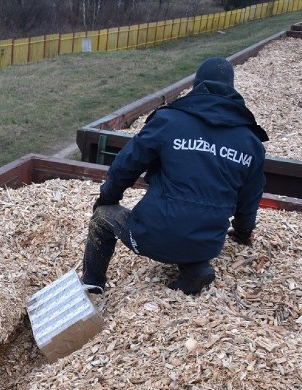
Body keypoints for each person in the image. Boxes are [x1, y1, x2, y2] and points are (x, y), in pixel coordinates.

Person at [82, 57, 269, 295]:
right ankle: (195, 267)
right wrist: (243, 232)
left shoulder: (169, 121)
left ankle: (92, 285)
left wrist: (108, 196)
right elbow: (250, 197)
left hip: (154, 234)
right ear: (231, 89)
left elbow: (127, 164)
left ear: (197, 85)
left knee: (102, 218)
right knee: (194, 224)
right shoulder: (251, 143)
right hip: (207, 243)